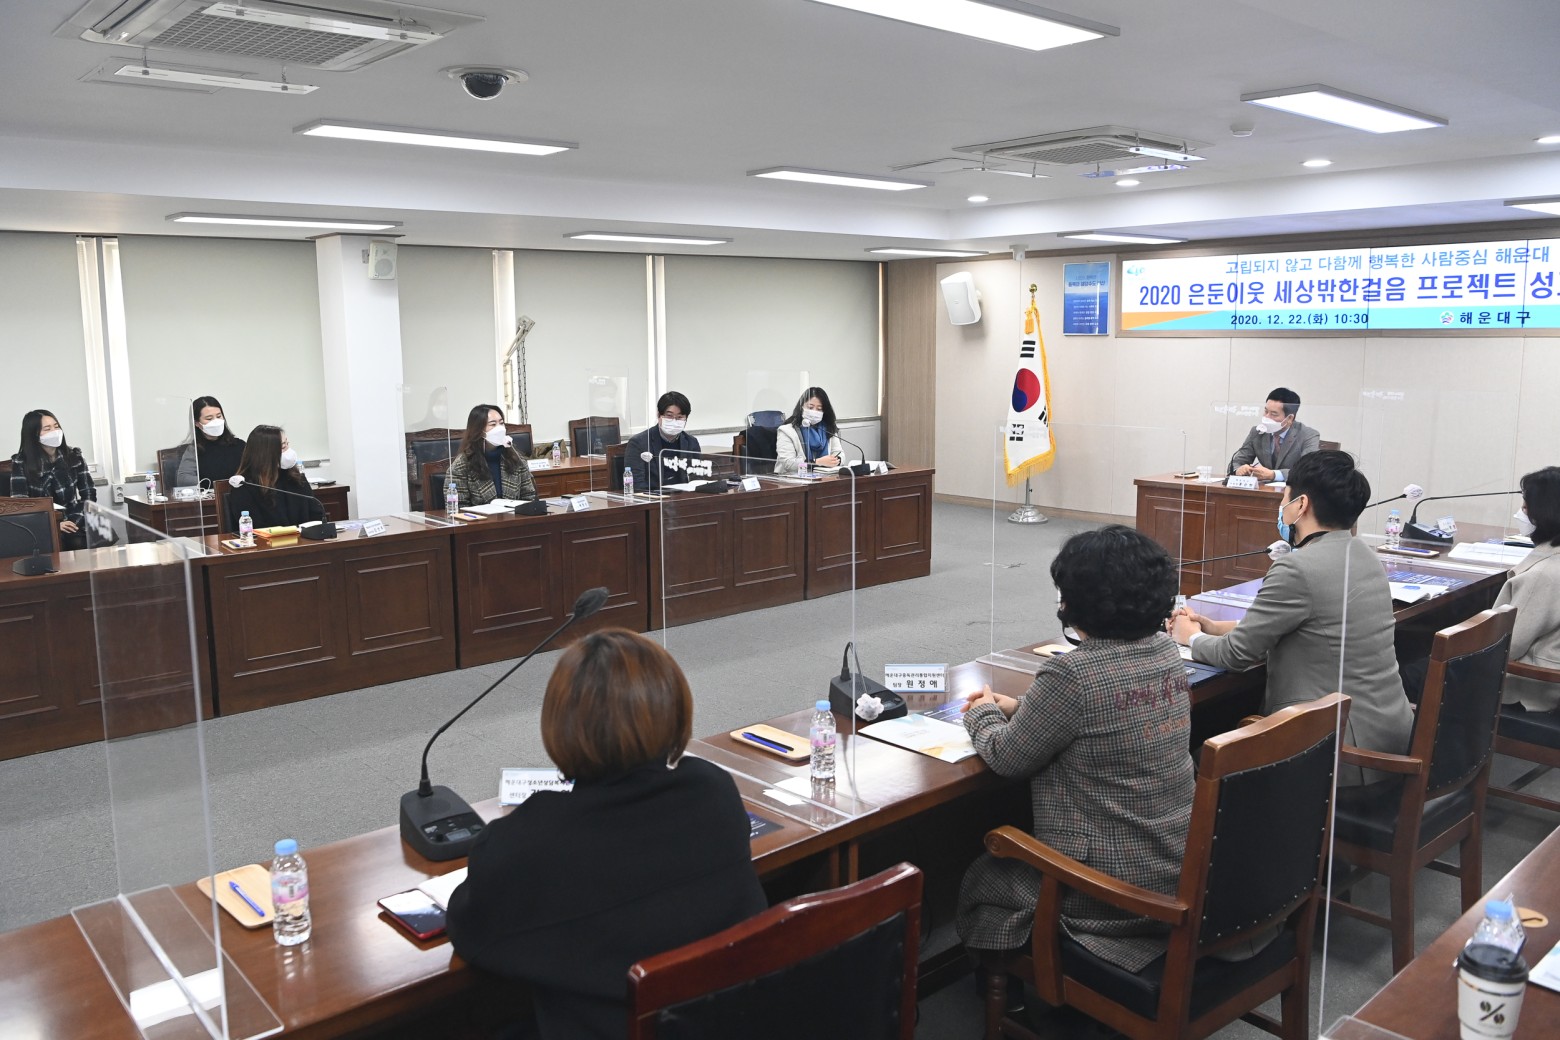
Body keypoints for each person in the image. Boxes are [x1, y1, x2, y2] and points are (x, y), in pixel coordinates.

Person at [446, 629, 766, 1040]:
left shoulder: (528, 842)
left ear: (559, 725)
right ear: (675, 711)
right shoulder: (713, 791)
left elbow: (471, 930)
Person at [957, 525, 1195, 978]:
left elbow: (1006, 757)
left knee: (984, 876)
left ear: (1076, 602)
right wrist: (1023, 707)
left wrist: (983, 712)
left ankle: (1011, 989)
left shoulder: (1073, 673)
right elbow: (1112, 714)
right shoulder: (1165, 649)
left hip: (1106, 887)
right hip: (1177, 865)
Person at [1172, 450, 1414, 783]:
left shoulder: (1296, 567)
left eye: (1284, 498)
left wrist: (1190, 636)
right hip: (1388, 734)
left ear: (1301, 505)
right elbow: (1316, 624)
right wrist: (1215, 627)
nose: (1281, 506)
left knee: (1198, 757)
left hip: (1337, 753)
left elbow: (1235, 655)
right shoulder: (1364, 555)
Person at [1494, 466, 1560, 712]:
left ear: (1544, 512)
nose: (1521, 512)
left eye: (1525, 506)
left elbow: (1506, 646)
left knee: (1416, 671)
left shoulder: (1542, 575)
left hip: (1532, 692)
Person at [10, 409, 97, 551]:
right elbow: (20, 505)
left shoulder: (74, 457)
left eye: (56, 426)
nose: (55, 431)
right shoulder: (21, 463)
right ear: (34, 434)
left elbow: (89, 495)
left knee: (81, 541)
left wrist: (74, 521)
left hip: (74, 519)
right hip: (40, 524)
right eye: (47, 428)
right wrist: (55, 524)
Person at [221, 425, 324, 533]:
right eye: (283, 447)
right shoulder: (245, 486)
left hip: (304, 540)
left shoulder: (296, 478)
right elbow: (255, 529)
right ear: (266, 454)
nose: (289, 451)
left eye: (287, 444)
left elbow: (316, 514)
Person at [445, 404, 536, 506]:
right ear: (479, 430)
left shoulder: (515, 458)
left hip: (514, 515)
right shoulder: (461, 465)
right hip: (479, 516)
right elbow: (458, 507)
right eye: (493, 424)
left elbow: (530, 496)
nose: (500, 428)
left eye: (501, 423)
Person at [1227, 387, 1321, 482]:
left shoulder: (1308, 435)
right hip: (1264, 489)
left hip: (1293, 488)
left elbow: (1307, 471)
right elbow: (1237, 462)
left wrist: (1274, 475)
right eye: (1266, 411)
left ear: (1289, 418)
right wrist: (1239, 469)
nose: (1266, 417)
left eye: (1274, 414)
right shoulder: (1257, 432)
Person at [625, 391, 701, 491]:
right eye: (669, 416)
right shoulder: (639, 443)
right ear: (659, 415)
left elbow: (697, 478)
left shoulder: (691, 442)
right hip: (653, 496)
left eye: (679, 417)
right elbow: (637, 484)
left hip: (682, 496)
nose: (674, 421)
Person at [174, 396, 246, 486]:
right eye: (209, 418)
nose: (216, 421)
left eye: (219, 416)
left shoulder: (239, 445)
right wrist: (213, 481)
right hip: (212, 493)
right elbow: (183, 479)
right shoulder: (194, 449)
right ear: (197, 423)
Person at [774, 386, 846, 475]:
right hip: (791, 479)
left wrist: (835, 461)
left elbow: (840, 454)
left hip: (824, 477)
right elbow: (788, 464)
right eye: (810, 407)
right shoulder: (786, 431)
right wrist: (816, 462)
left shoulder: (828, 428)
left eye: (819, 409)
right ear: (801, 407)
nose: (814, 412)